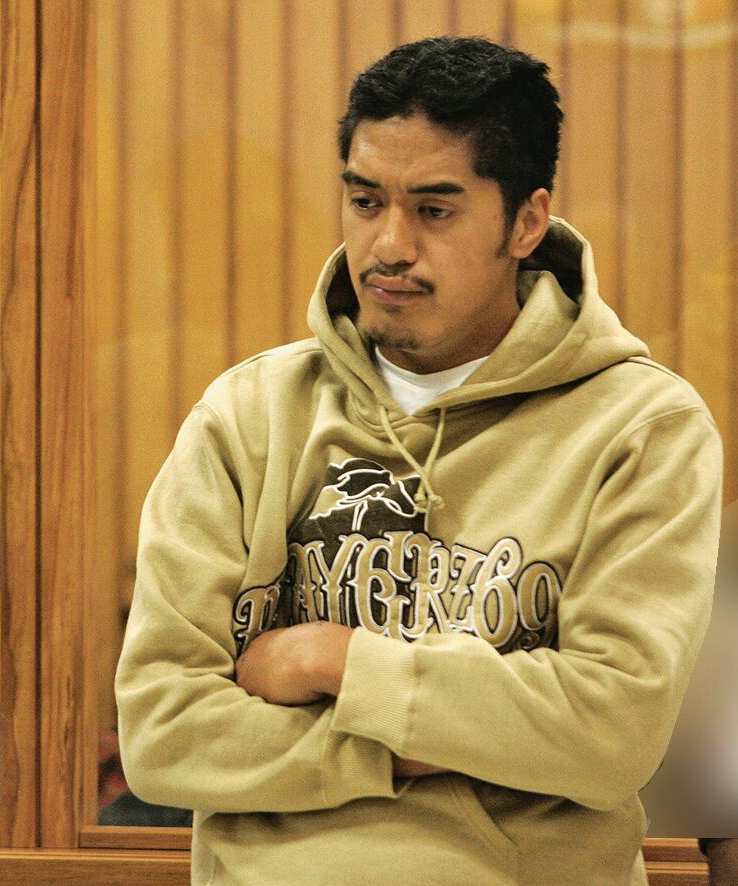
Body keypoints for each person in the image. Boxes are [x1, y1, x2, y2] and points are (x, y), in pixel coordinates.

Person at [115, 36, 721, 886]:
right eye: (364, 202)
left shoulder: (642, 427)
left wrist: (332, 661)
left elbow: (608, 735)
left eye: (433, 210)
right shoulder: (245, 417)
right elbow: (162, 733)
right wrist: (421, 743)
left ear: (526, 221)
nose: (388, 245)